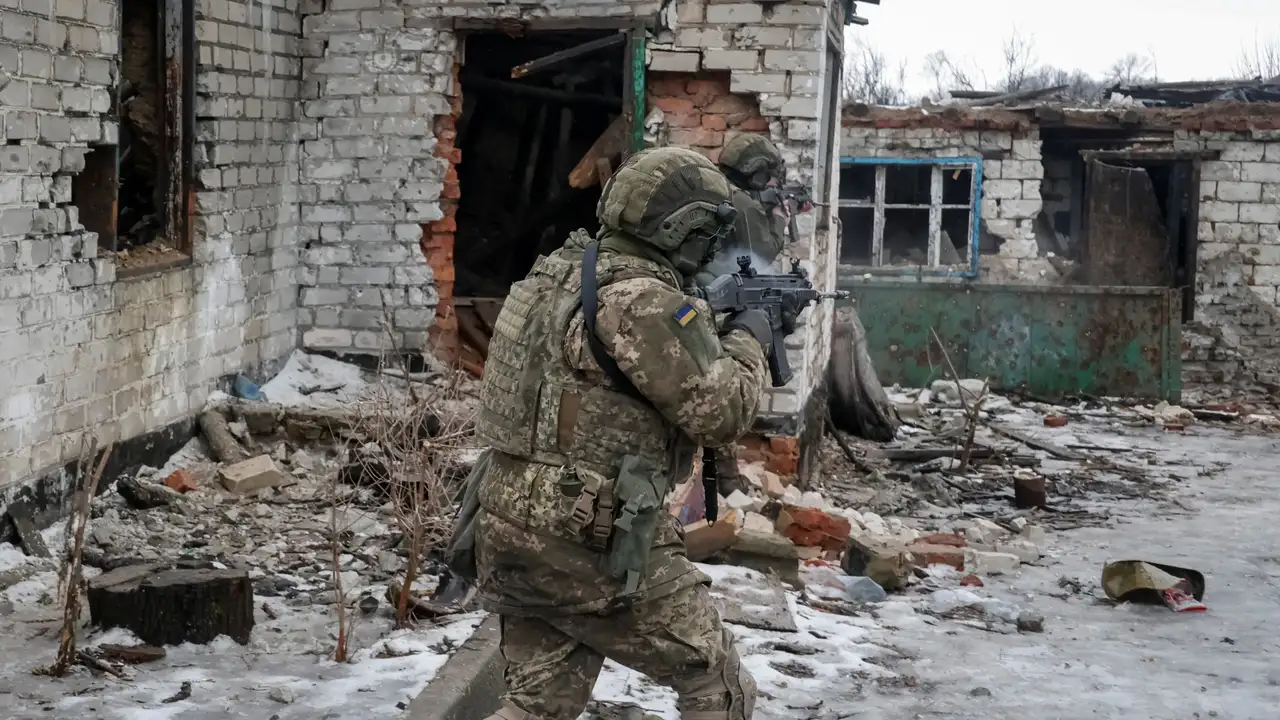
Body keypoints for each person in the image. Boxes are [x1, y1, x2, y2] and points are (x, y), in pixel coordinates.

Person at [468, 146, 800, 720]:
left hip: (504, 519)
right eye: (709, 230)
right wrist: (749, 334)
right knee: (719, 688)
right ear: (684, 228)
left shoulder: (560, 275)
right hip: (589, 535)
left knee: (540, 702)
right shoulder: (642, 301)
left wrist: (715, 323)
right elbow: (722, 411)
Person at [696, 133, 814, 493]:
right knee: (726, 388)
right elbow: (762, 250)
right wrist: (780, 217)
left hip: (702, 292)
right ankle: (725, 479)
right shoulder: (743, 202)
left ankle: (721, 475)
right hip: (720, 301)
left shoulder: (714, 187)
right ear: (756, 172)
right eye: (770, 176)